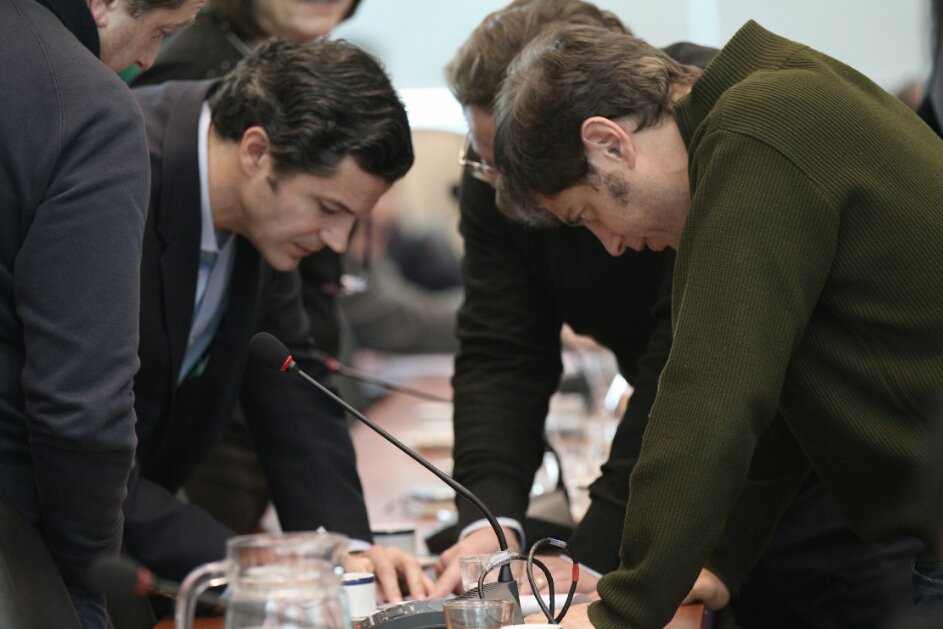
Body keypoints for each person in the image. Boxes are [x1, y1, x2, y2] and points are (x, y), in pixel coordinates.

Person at [434, 3, 920, 627]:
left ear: (606, 140)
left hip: (868, 512)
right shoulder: (743, 106)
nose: (608, 246)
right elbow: (774, 391)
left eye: (583, 215)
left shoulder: (752, 132)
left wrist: (619, 600)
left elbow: (710, 384)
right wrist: (715, 562)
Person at [125, 37, 431, 606]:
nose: (335, 242)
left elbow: (292, 384)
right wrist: (256, 567)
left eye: (353, 219)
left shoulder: (263, 216)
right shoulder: (121, 167)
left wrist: (347, 553)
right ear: (256, 152)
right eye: (329, 209)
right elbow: (72, 430)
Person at [0, 0, 205, 626]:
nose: (148, 59)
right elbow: (82, 401)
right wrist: (87, 566)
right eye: (160, 31)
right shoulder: (86, 106)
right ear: (106, 3)